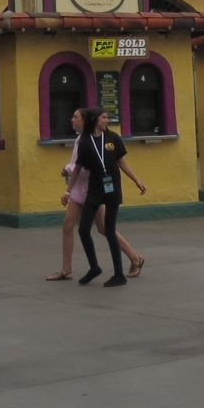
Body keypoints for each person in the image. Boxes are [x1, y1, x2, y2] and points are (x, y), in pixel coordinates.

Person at [47, 123, 145, 280]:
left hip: (93, 190)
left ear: (86, 121)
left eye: (76, 117)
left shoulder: (95, 141)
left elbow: (88, 168)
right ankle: (66, 269)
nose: (72, 120)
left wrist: (67, 169)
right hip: (79, 189)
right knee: (68, 225)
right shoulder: (82, 139)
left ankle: (134, 257)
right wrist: (69, 189)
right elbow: (79, 165)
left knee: (104, 228)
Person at [72, 106, 145, 287]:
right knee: (83, 229)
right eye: (104, 117)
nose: (107, 120)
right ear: (95, 120)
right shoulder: (85, 142)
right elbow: (78, 167)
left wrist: (137, 180)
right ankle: (94, 267)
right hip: (95, 189)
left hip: (112, 189)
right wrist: (68, 190)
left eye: (107, 118)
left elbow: (122, 163)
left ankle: (119, 274)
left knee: (110, 230)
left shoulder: (113, 138)